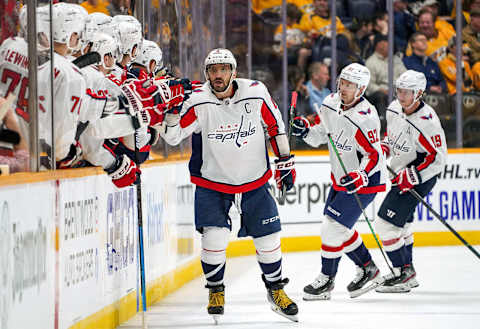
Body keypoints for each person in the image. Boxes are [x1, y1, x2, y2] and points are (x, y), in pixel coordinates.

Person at [160, 48, 299, 322]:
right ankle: (215, 290)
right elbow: (173, 137)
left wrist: (285, 162)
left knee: (269, 240)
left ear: (234, 72)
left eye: (224, 69)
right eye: (213, 70)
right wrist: (173, 110)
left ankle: (276, 290)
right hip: (213, 182)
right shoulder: (197, 100)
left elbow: (275, 127)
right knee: (214, 240)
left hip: (254, 180)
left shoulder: (256, 92)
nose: (218, 74)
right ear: (207, 74)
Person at [291, 63, 386, 300]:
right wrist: (305, 132)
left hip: (366, 180)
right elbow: (323, 134)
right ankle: (368, 269)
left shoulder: (366, 117)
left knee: (331, 227)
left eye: (349, 85)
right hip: (342, 178)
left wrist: (361, 175)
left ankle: (326, 280)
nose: (343, 88)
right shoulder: (330, 103)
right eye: (342, 82)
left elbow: (373, 155)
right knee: (340, 228)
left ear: (361, 89)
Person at [375, 70, 447, 293]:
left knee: (385, 225)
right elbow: (393, 137)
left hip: (421, 176)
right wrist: (384, 147)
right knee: (402, 224)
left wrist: (413, 175)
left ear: (419, 93)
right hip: (401, 172)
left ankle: (402, 273)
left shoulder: (428, 122)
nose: (401, 95)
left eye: (407, 92)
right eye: (399, 90)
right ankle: (407, 273)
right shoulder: (394, 108)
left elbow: (437, 158)